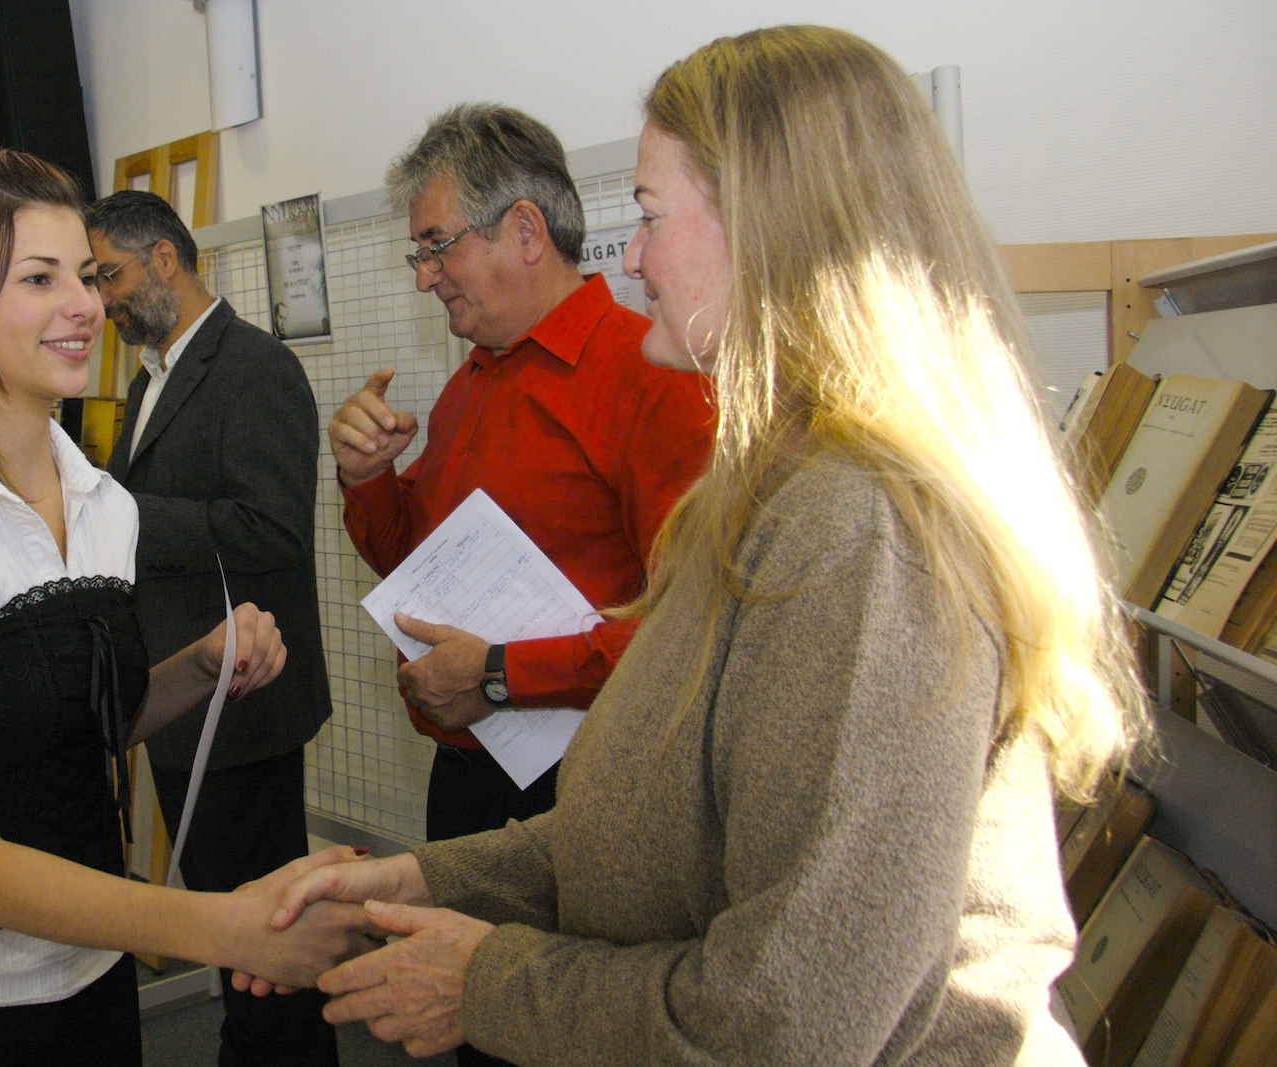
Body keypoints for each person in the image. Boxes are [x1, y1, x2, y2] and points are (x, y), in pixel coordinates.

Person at [261, 27, 1152, 1066]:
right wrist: (426, 879)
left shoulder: (859, 529)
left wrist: (487, 977)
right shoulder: (782, 483)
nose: (629, 256)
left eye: (648, 217)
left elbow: (790, 1014)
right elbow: (674, 824)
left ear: (772, 227)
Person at [0, 150, 373, 1067]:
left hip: (87, 970)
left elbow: (87, 725)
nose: (85, 304)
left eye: (86, 274)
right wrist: (224, 925)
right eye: (41, 279)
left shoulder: (105, 507)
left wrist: (198, 665)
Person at [328, 104, 713, 892]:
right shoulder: (469, 384)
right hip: (467, 777)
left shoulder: (649, 378)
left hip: (594, 790)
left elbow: (692, 631)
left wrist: (500, 673)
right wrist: (367, 478)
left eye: (437, 246)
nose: (425, 276)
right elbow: (411, 563)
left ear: (527, 231)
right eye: (419, 253)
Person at [84, 190, 337, 1067]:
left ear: (165, 258)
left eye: (109, 275)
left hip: (245, 705)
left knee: (267, 939)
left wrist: (121, 512)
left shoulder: (257, 366)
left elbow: (271, 529)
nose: (102, 299)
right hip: (180, 698)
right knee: (233, 926)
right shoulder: (151, 376)